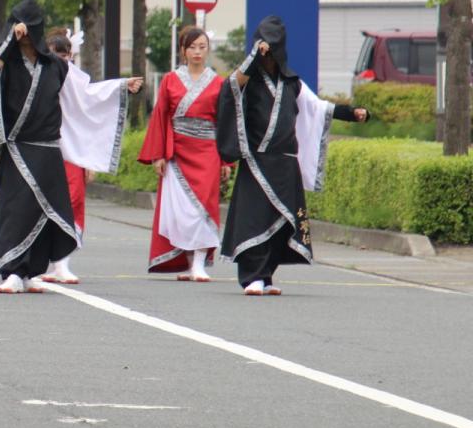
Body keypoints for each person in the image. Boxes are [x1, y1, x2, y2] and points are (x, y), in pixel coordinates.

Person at [217, 15, 368, 295]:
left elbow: (317, 107)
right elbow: (231, 88)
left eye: (271, 46)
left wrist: (351, 113)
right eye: (263, 46)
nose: (267, 52)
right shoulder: (249, 78)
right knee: (254, 219)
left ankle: (267, 276)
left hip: (285, 162)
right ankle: (252, 277)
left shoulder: (291, 82)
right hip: (257, 161)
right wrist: (253, 57)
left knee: (282, 223)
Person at [0, 0, 79, 294]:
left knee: (43, 213)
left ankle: (30, 271)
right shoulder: (4, 62)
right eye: (20, 25)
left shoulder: (55, 65)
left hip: (48, 149)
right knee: (16, 210)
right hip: (17, 148)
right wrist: (9, 43)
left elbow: (81, 95)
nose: (26, 32)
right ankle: (12, 271)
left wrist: (120, 87)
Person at [44, 30, 142, 284]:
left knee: (73, 200)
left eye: (64, 55)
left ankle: (62, 262)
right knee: (43, 204)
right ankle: (43, 262)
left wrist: (121, 85)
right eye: (55, 54)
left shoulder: (75, 78)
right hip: (43, 147)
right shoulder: (37, 74)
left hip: (72, 149)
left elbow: (93, 96)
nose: (60, 60)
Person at [137, 27, 229, 282]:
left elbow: (225, 122)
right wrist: (158, 154)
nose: (197, 52)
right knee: (180, 211)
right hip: (177, 152)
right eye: (192, 47)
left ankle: (199, 262)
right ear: (183, 51)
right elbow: (160, 116)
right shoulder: (170, 79)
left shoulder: (219, 82)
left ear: (208, 49)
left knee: (203, 208)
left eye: (202, 47)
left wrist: (226, 159)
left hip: (208, 151)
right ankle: (189, 263)